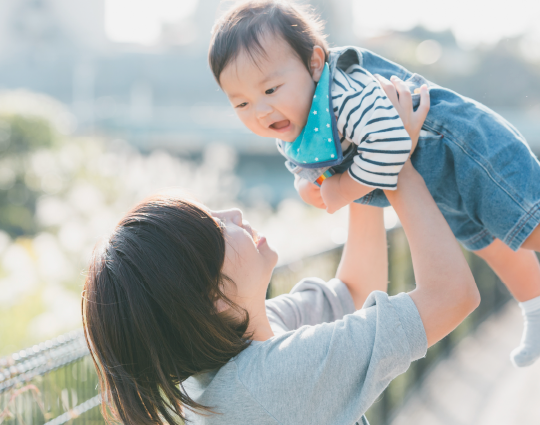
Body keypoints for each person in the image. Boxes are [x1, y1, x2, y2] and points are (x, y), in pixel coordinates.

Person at [82, 83, 479, 425]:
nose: (234, 214)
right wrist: (398, 163)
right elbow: (452, 296)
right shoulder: (275, 381)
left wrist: (361, 165)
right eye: (218, 228)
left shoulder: (238, 356)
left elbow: (355, 291)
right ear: (213, 297)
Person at [208, 0, 540, 367]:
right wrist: (311, 186)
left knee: (527, 228)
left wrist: (342, 189)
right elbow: (308, 168)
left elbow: (394, 142)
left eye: (270, 90)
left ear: (315, 64)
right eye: (241, 104)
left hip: (463, 150)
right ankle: (536, 309)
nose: (260, 111)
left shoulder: (343, 97)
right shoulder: (291, 124)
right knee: (491, 244)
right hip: (438, 184)